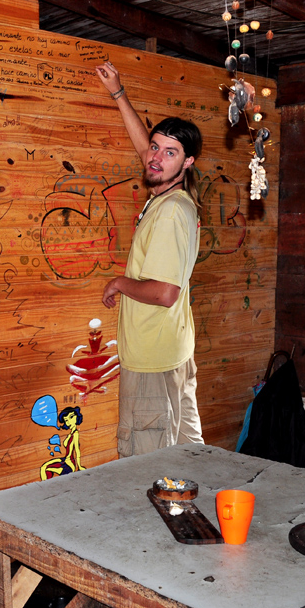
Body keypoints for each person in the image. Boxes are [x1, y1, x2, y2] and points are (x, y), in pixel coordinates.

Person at [94, 60, 204, 458]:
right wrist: (118, 93)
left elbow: (165, 293)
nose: (155, 158)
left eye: (169, 152)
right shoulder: (172, 195)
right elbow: (145, 149)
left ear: (187, 162)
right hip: (170, 352)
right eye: (155, 148)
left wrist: (120, 283)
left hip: (153, 360)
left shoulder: (172, 211)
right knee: (190, 457)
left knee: (147, 466)